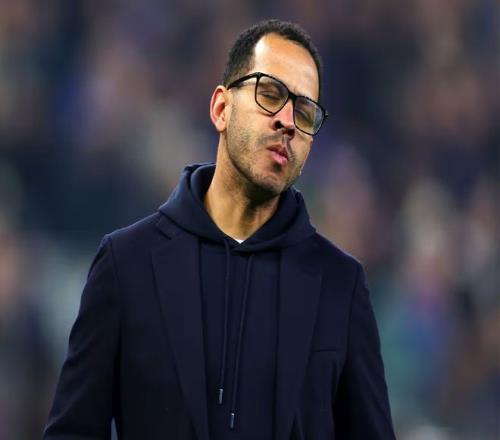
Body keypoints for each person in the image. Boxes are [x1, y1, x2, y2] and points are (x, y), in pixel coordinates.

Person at [44, 19, 396, 439]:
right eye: (270, 94)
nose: (287, 121)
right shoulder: (127, 264)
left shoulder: (340, 285)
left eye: (304, 112)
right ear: (221, 109)